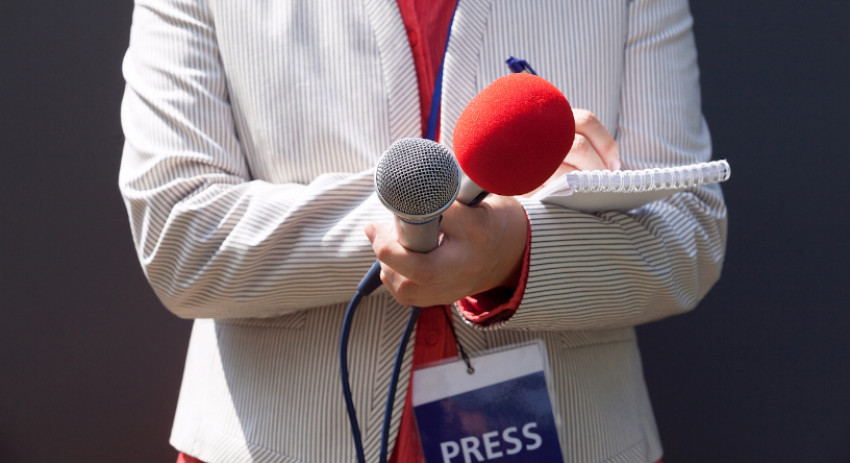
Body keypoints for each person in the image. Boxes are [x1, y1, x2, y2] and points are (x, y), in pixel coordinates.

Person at [119, 0, 726, 461]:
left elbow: (689, 235)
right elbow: (181, 238)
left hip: (573, 435)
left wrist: (515, 249)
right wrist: (461, 198)